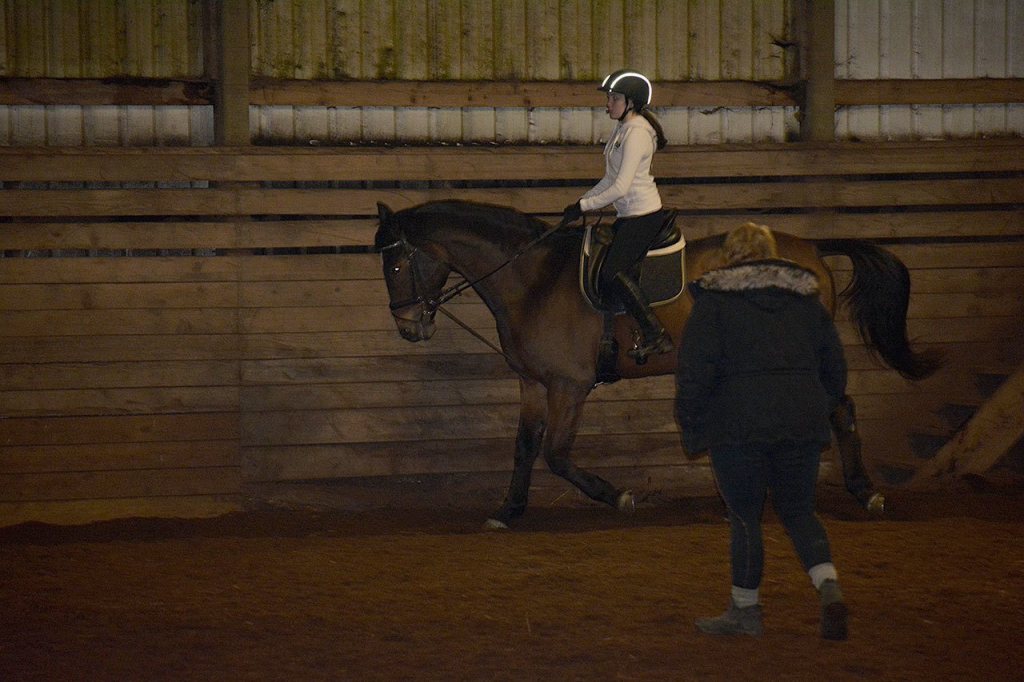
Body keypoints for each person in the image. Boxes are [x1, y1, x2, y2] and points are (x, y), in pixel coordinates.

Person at [674, 222, 849, 641]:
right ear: (773, 254)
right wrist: (816, 408)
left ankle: (746, 611)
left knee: (745, 517)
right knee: (799, 511)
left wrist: (693, 425)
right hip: (801, 424)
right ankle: (828, 584)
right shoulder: (808, 304)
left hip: (737, 427)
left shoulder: (713, 305)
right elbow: (836, 371)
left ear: (729, 257)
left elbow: (694, 374)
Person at [562, 69, 675, 363]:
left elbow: (621, 187)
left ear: (631, 102)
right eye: (609, 98)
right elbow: (609, 179)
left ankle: (656, 334)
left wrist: (586, 207)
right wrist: (581, 202)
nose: (608, 104)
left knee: (612, 271)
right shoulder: (623, 129)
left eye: (614, 98)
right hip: (628, 215)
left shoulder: (637, 134)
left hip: (643, 215)